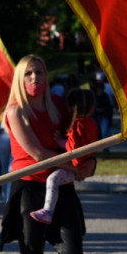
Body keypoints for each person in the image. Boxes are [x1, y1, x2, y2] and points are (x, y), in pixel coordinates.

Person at [0, 55, 95, 254]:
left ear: (46, 76)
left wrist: (90, 162)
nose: (34, 78)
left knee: (73, 253)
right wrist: (76, 169)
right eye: (28, 73)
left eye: (39, 72)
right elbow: (37, 153)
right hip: (29, 186)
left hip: (61, 184)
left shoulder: (58, 106)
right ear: (20, 78)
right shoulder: (15, 111)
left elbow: (78, 138)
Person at [30, 89, 99, 224]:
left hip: (75, 166)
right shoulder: (90, 123)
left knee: (52, 180)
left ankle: (48, 211)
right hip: (83, 164)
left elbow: (74, 150)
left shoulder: (78, 125)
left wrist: (61, 142)